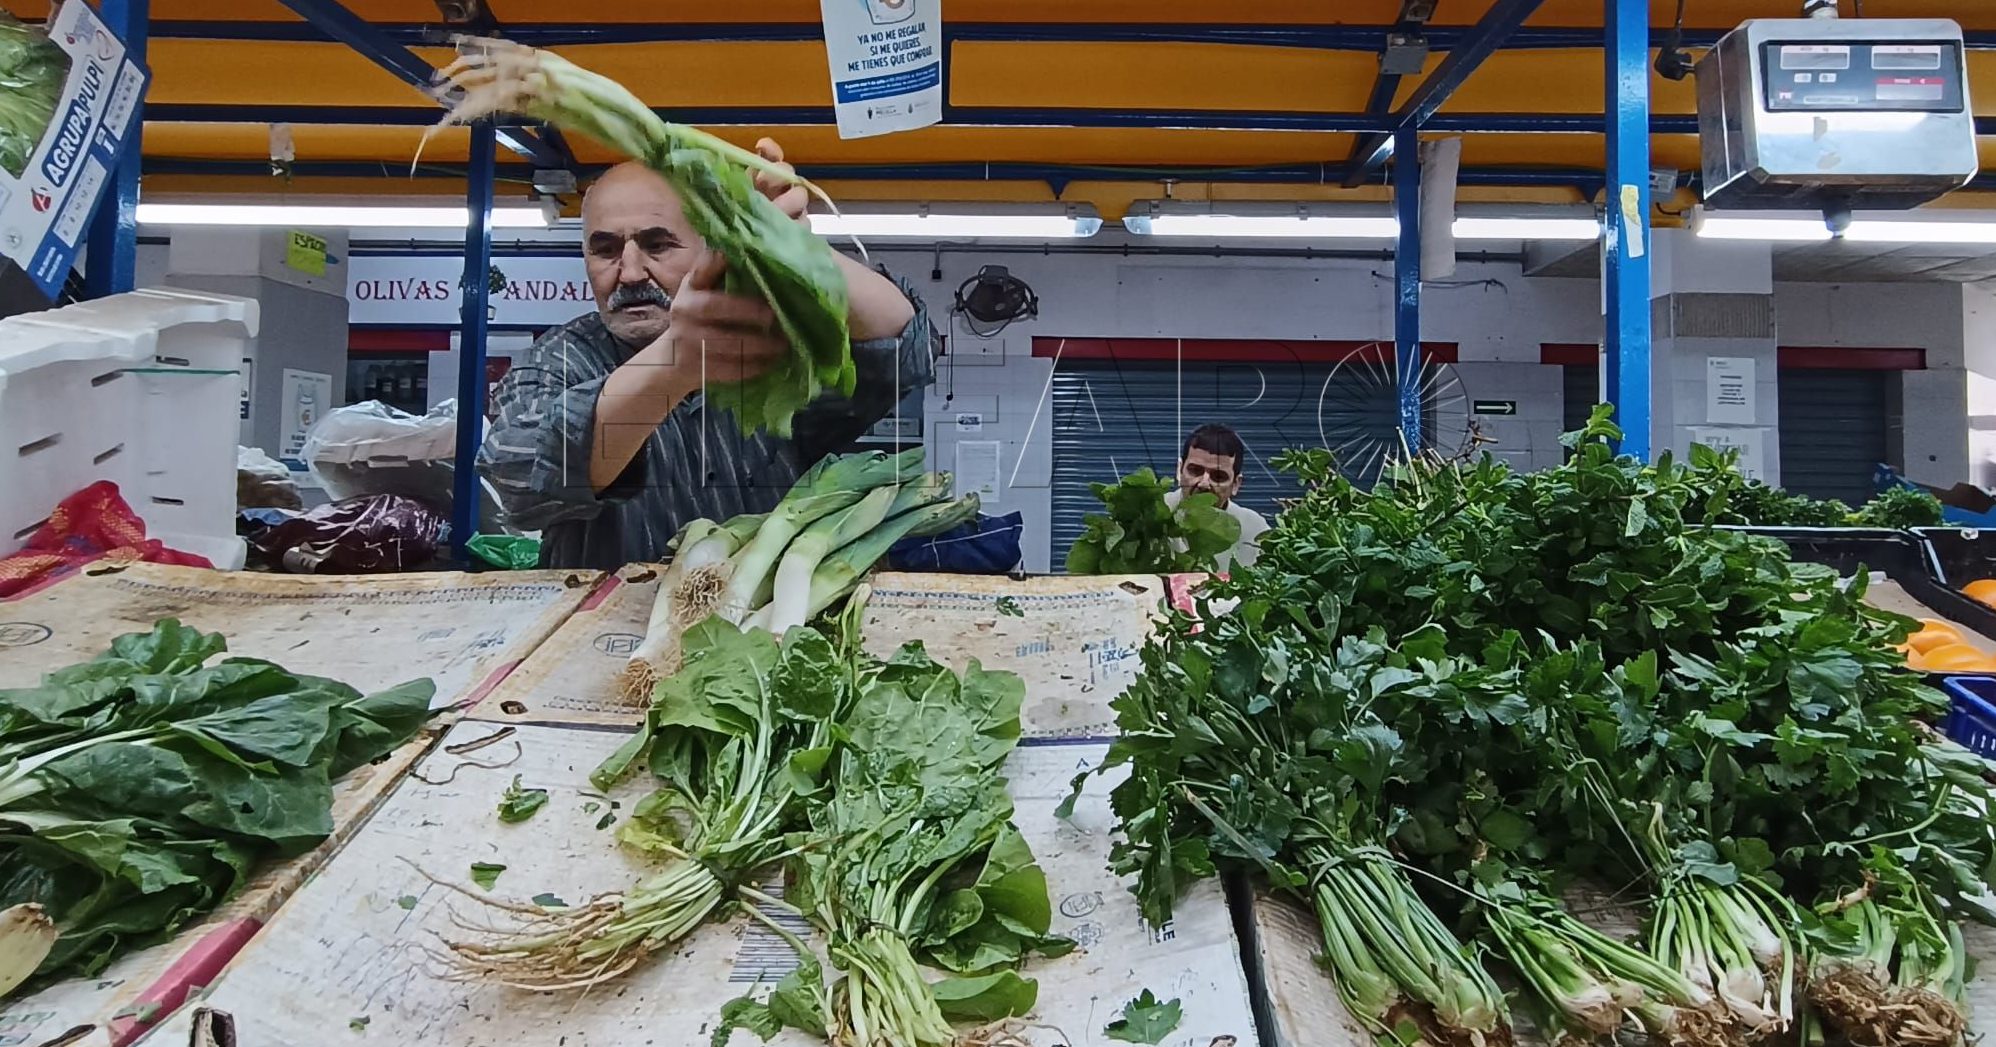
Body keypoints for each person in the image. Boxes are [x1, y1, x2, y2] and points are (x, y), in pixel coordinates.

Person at [479, 139, 937, 570]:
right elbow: (520, 478)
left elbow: (905, 352)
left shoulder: (770, 346)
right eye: (605, 250)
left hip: (757, 622)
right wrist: (674, 364)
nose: (630, 272)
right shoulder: (559, 359)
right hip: (606, 624)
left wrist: (803, 255)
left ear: (712, 246)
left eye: (657, 244)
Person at [1166, 423, 1270, 570]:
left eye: (1218, 476)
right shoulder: (1150, 514)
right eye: (1195, 471)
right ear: (1179, 471)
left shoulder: (1254, 530)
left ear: (1236, 484)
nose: (1204, 484)